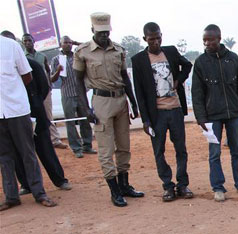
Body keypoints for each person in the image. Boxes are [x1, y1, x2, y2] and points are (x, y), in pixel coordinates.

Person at [74, 12, 144, 207]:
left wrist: (134, 102)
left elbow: (125, 77)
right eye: (100, 32)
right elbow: (78, 82)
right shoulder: (83, 52)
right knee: (106, 149)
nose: (104, 36)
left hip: (121, 100)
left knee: (124, 146)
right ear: (92, 31)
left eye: (107, 32)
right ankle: (114, 191)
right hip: (100, 101)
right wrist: (85, 107)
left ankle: (125, 186)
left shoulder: (118, 50)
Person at [192, 24, 238, 202]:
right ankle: (218, 188)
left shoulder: (233, 59)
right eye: (204, 40)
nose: (207, 43)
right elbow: (197, 93)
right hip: (212, 117)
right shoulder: (201, 63)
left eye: (210, 39)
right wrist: (201, 118)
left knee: (237, 151)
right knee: (214, 154)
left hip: (233, 115)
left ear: (219, 38)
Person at [132, 22, 193, 202]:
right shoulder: (138, 60)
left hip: (175, 109)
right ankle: (168, 186)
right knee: (159, 151)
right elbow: (139, 91)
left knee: (181, 149)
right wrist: (145, 120)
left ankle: (183, 184)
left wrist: (178, 81)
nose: (156, 42)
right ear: (145, 39)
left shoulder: (171, 52)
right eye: (151, 39)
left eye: (158, 38)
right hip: (156, 114)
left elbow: (187, 66)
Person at [0, 33, 56, 211]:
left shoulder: (11, 45)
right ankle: (11, 197)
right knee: (4, 157)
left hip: (17, 109)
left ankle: (39, 193)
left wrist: (12, 92)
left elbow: (27, 76)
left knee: (27, 153)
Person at [16, 51, 71, 195]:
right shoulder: (5, 69)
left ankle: (60, 180)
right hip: (14, 118)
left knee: (46, 150)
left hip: (36, 115)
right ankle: (26, 185)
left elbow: (44, 88)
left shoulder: (33, 65)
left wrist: (35, 102)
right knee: (19, 153)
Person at [50, 36, 95, 158]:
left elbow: (90, 46)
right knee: (70, 123)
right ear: (60, 44)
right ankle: (76, 148)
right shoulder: (56, 59)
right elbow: (52, 79)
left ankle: (87, 145)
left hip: (81, 93)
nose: (68, 44)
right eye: (65, 42)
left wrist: (77, 42)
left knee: (85, 119)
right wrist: (58, 71)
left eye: (70, 42)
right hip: (67, 94)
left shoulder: (78, 55)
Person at [22, 33, 66, 149]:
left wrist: (52, 79)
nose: (27, 43)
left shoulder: (42, 56)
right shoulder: (21, 57)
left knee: (48, 115)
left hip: (44, 92)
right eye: (25, 41)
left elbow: (48, 73)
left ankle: (55, 140)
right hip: (29, 93)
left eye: (29, 41)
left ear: (33, 42)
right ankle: (34, 142)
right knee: (31, 117)